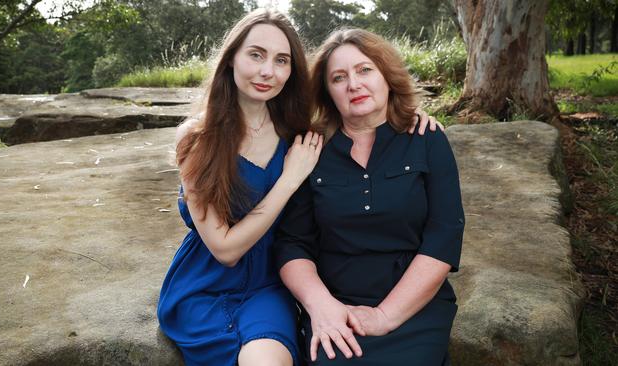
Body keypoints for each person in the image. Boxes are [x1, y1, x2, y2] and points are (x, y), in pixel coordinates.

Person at [157, 9, 442, 366]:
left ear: (292, 72)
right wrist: (289, 180)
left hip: (268, 285)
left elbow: (360, 117)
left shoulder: (298, 133)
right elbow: (224, 249)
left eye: (281, 61)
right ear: (231, 59)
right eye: (256, 55)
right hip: (204, 286)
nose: (267, 72)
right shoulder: (198, 138)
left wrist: (413, 116)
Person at [274, 28, 465, 366]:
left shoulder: (427, 139)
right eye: (338, 77)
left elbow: (444, 236)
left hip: (412, 307)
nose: (354, 84)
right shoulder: (311, 149)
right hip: (336, 306)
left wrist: (385, 316)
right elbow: (292, 244)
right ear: (327, 92)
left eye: (365, 70)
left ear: (387, 76)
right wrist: (321, 306)